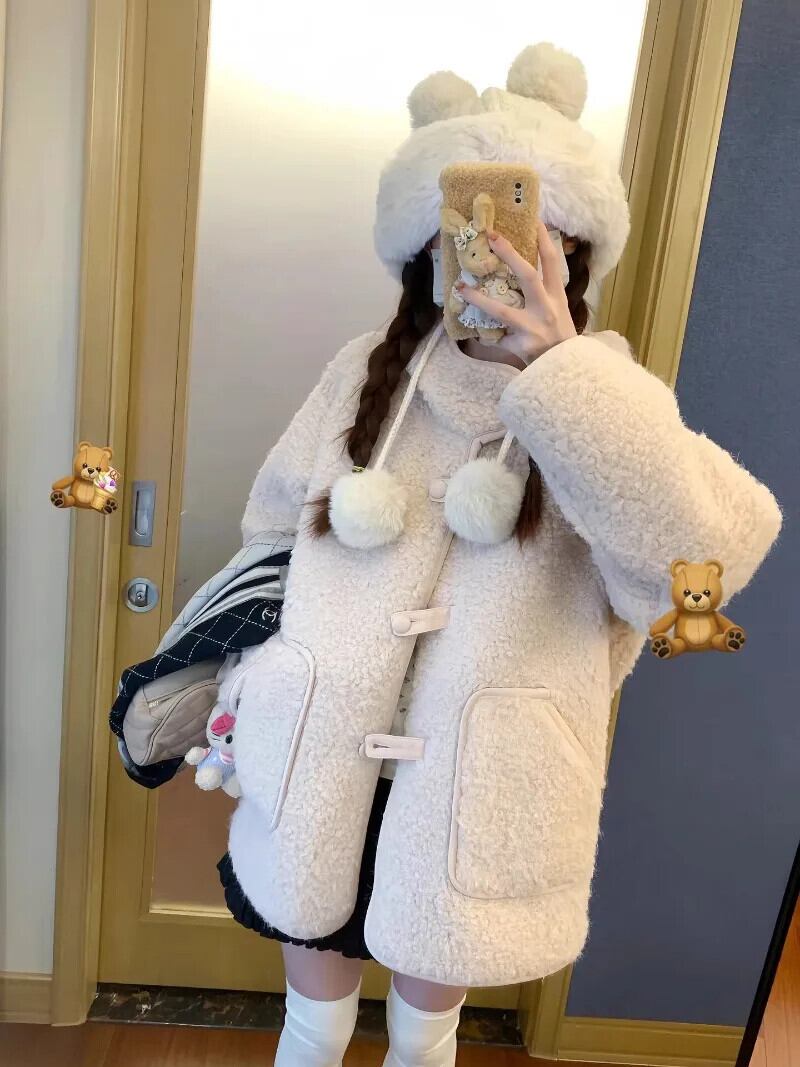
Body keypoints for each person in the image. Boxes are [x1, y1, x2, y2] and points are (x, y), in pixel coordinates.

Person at [215, 43, 782, 1067]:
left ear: (573, 252)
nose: (496, 258)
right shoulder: (360, 373)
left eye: (531, 231)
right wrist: (255, 676)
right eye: (465, 233)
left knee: (424, 1039)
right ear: (424, 250)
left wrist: (562, 376)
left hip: (480, 776)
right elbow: (269, 533)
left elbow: (693, 574)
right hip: (321, 752)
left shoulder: (608, 403)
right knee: (311, 1027)